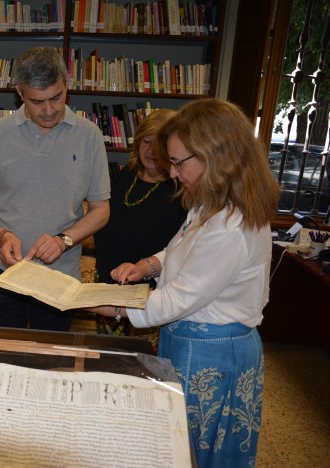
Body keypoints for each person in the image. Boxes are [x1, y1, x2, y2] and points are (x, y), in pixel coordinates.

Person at [89, 98, 279, 467]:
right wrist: (148, 265)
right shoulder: (209, 204)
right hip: (192, 340)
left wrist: (105, 304)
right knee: (178, 440)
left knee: (194, 450)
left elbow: (178, 299)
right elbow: (179, 251)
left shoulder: (231, 227)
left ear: (216, 156)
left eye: (178, 163)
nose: (173, 173)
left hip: (214, 351)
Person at [0, 46, 111, 331]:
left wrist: (64, 240)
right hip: (5, 270)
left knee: (51, 359)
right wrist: (2, 235)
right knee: (6, 357)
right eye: (37, 101)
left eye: (56, 97)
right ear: (20, 92)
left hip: (61, 275)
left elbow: (101, 210)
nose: (49, 110)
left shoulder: (89, 136)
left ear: (66, 85)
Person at [93, 109, 187, 349]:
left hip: (148, 295)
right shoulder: (125, 176)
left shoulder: (180, 191)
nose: (152, 151)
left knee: (140, 364)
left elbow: (180, 248)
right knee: (106, 356)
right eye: (147, 141)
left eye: (161, 145)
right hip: (109, 283)